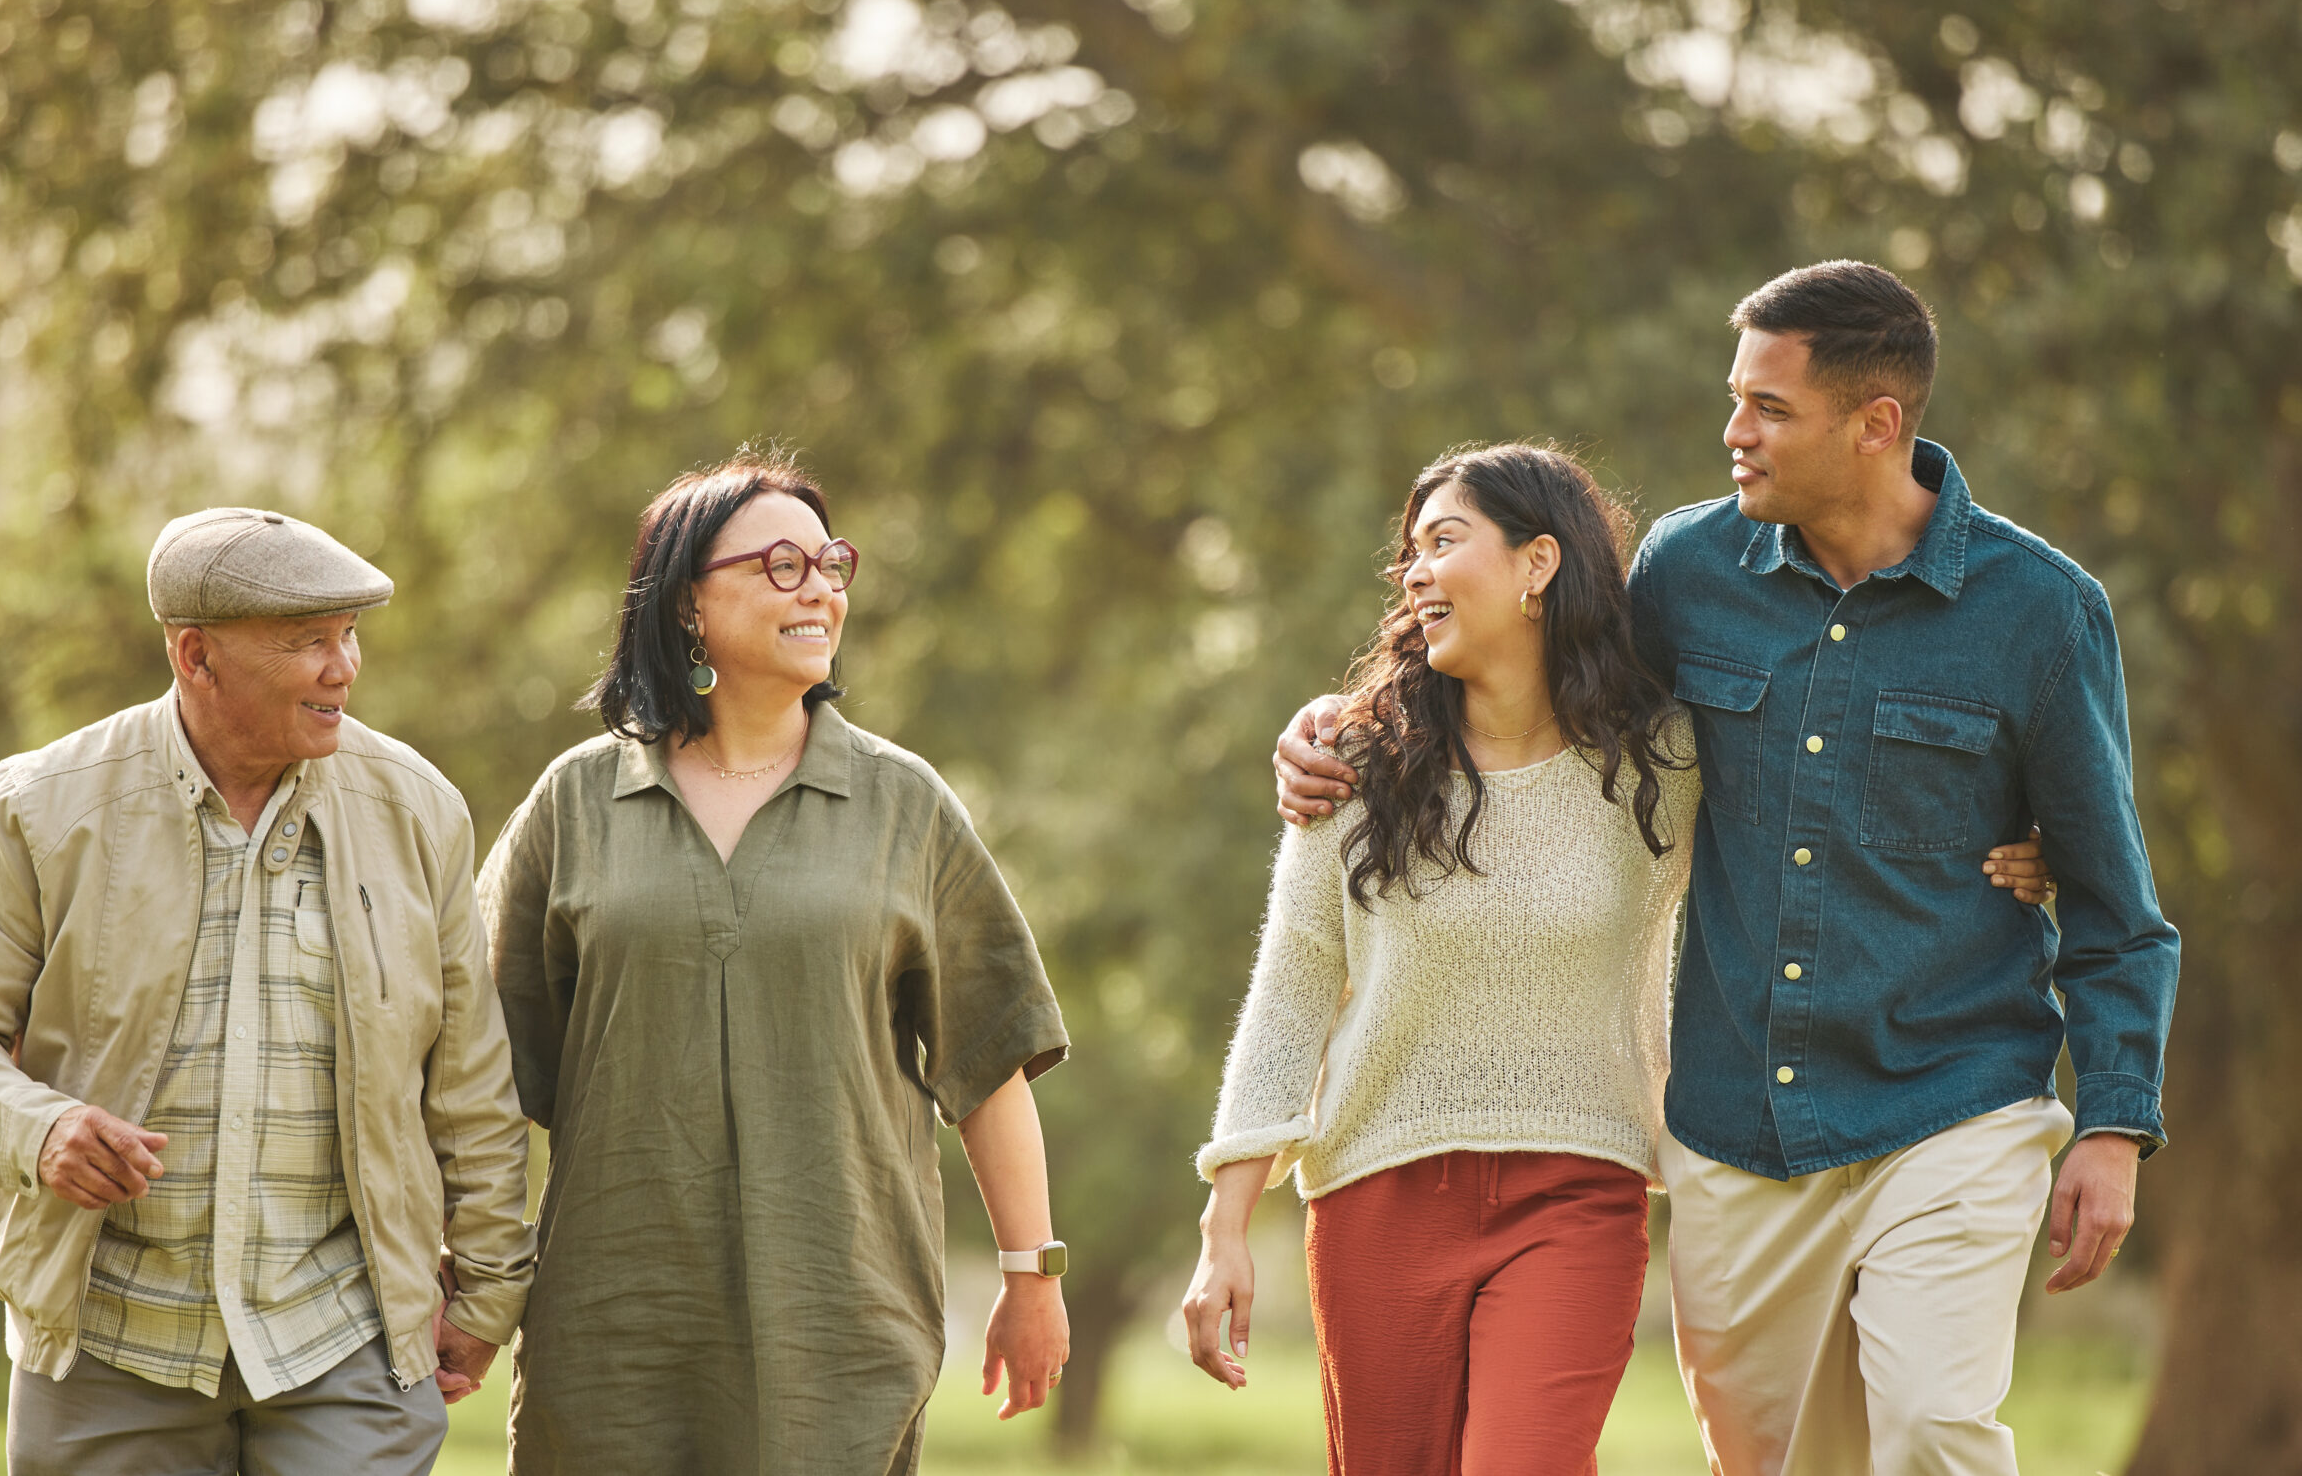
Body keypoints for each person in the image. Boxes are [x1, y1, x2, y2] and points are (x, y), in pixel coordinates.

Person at [1275, 262, 2179, 1476]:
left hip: (1957, 1093)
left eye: (1768, 408)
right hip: (1737, 1120)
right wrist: (1345, 717)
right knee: (1772, 1459)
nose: (1732, 433)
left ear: (1876, 425)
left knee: (1933, 1429)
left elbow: (2118, 908)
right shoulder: (1683, 572)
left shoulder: (2041, 612)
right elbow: (1528, 682)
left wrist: (2114, 1123)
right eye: (1733, 397)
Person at [1187, 444, 2052, 1475]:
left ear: (1537, 562)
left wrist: (2014, 842)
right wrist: (1225, 1224)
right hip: (1376, 1197)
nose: (1415, 572)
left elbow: (1814, 823)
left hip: (1575, 1189)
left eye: (1444, 541)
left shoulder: (1660, 762)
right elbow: (1289, 994)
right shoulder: (1355, 767)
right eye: (1407, 555)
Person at [0, 508, 535, 1476]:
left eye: (348, 635)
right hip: (107, 1343)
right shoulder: (40, 805)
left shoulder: (419, 808)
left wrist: (485, 1295)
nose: (343, 668)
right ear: (196, 656)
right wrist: (38, 1128)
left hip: (345, 1337)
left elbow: (469, 1077)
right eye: (306, 642)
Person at [481, 448, 1072, 1476]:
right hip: (613, 1334)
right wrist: (468, 1275)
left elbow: (990, 1059)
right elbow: (477, 1066)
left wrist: (1032, 1276)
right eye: (780, 566)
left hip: (839, 1330)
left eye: (831, 562)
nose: (822, 590)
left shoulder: (904, 803)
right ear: (686, 606)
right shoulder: (574, 803)